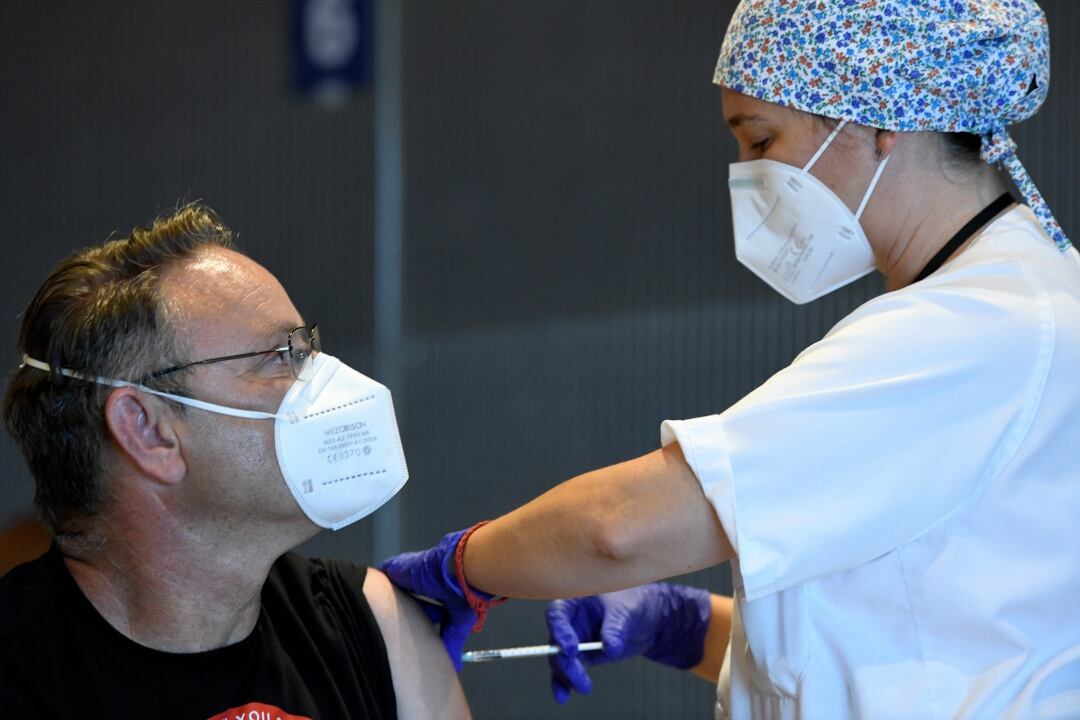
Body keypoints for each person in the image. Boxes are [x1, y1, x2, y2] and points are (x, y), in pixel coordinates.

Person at [379, 0, 1080, 717]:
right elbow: (905, 643)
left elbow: (618, 529)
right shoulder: (1026, 301)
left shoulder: (968, 330)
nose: (748, 175)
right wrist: (685, 627)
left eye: (761, 138)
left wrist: (464, 566)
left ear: (879, 121)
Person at [0, 205, 470, 719]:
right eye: (279, 356)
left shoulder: (368, 624)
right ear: (150, 431)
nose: (321, 381)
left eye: (307, 349)